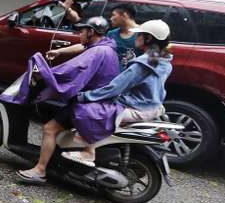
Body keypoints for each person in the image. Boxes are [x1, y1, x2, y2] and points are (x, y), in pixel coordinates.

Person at [0, 17, 120, 184]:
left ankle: (39, 170)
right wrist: (59, 53)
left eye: (82, 31)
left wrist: (45, 73)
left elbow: (71, 71)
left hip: (88, 105)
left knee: (49, 128)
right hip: (97, 102)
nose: (79, 34)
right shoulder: (108, 49)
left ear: (91, 32)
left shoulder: (96, 52)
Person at [59, 20, 173, 166]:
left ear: (148, 38)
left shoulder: (142, 64)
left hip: (137, 107)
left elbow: (114, 88)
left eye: (139, 35)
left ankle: (88, 152)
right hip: (152, 105)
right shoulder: (163, 59)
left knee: (86, 110)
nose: (136, 38)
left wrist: (83, 96)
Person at [47, 4, 141, 69]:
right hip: (111, 81)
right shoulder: (112, 34)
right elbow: (89, 46)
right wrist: (59, 51)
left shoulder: (144, 35)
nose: (111, 18)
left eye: (113, 15)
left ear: (125, 15)